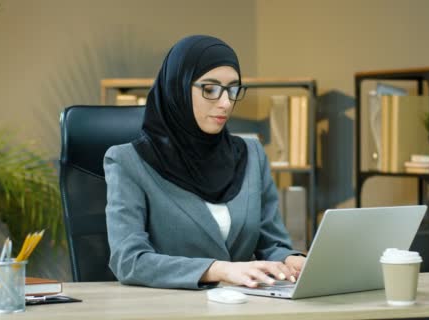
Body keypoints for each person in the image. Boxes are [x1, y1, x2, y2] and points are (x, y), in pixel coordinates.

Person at [104, 35, 306, 289]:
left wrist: (290, 259)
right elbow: (129, 261)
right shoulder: (128, 161)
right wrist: (217, 270)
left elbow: (271, 244)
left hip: (246, 306)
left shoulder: (251, 154)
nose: (225, 103)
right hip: (169, 310)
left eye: (233, 89)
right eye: (210, 89)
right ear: (177, 87)